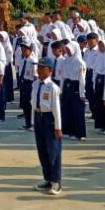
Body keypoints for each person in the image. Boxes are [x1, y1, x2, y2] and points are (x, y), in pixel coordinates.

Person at [32, 57, 63, 196]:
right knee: (42, 151)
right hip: (38, 117)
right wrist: (33, 122)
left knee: (53, 152)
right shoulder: (35, 84)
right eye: (38, 67)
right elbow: (33, 104)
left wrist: (58, 127)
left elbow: (56, 109)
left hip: (49, 119)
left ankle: (56, 181)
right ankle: (47, 179)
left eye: (42, 67)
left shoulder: (52, 87)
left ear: (50, 70)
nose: (38, 70)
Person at [16, 40, 38, 131]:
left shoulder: (33, 61)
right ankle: (27, 123)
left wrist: (34, 87)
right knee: (25, 104)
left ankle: (33, 124)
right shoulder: (23, 60)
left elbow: (35, 75)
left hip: (30, 83)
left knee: (31, 104)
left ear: (30, 50)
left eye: (25, 50)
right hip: (24, 82)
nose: (23, 52)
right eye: (22, 50)